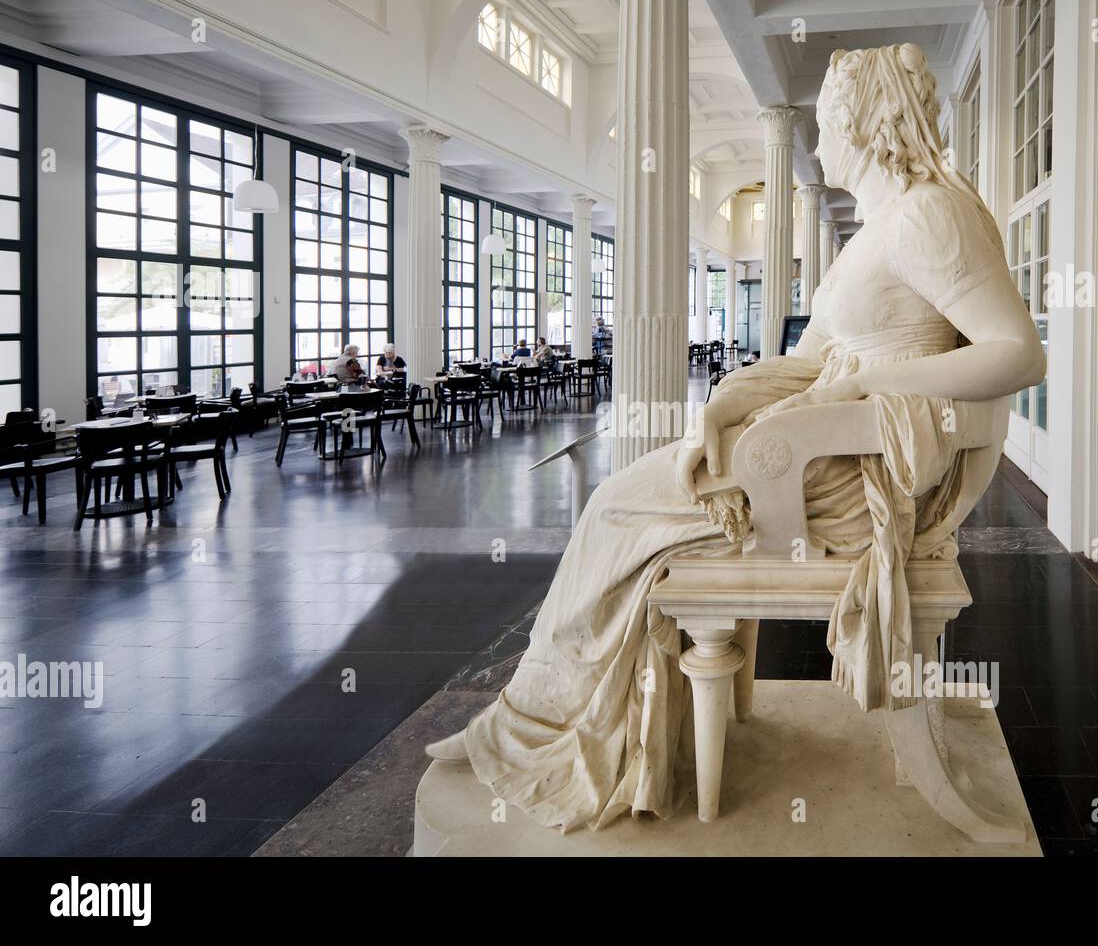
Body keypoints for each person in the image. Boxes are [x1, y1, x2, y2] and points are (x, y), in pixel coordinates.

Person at [425, 44, 1045, 833]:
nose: (820, 147)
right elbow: (807, 358)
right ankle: (566, 719)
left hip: (846, 471)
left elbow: (1017, 352)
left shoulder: (929, 214)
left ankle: (537, 727)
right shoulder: (882, 227)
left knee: (615, 510)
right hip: (820, 443)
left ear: (864, 121)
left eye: (826, 127)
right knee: (626, 500)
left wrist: (873, 385)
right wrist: (721, 406)